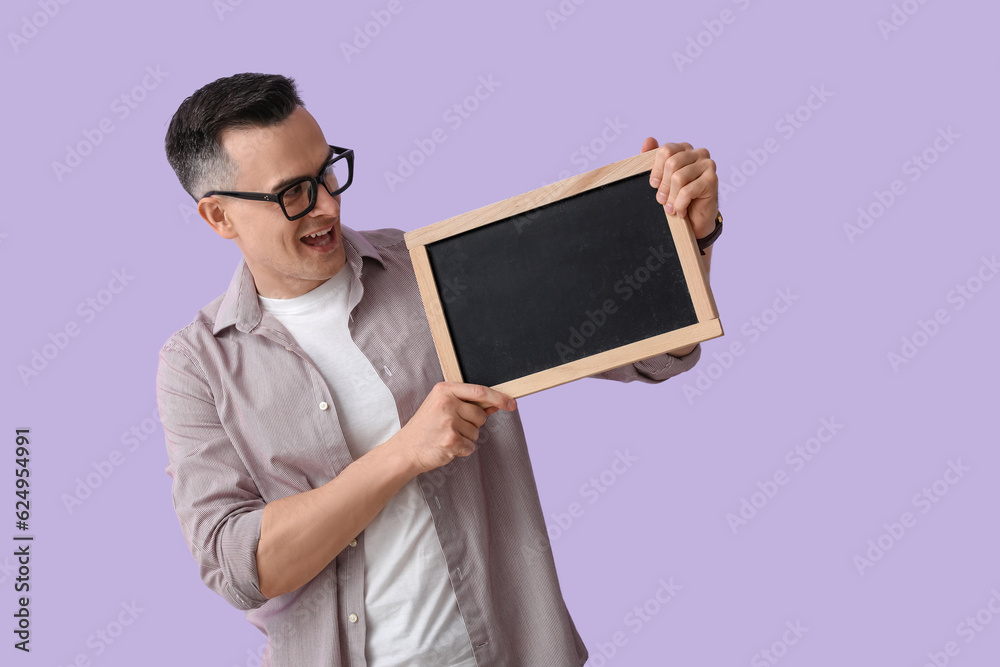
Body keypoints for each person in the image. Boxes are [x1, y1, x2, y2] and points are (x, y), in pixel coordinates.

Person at [157, 72, 721, 667]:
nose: (327, 203)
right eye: (292, 192)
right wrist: (405, 451)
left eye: (328, 171)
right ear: (219, 217)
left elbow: (651, 353)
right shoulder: (197, 366)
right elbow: (240, 567)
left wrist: (690, 235)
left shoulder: (429, 270)